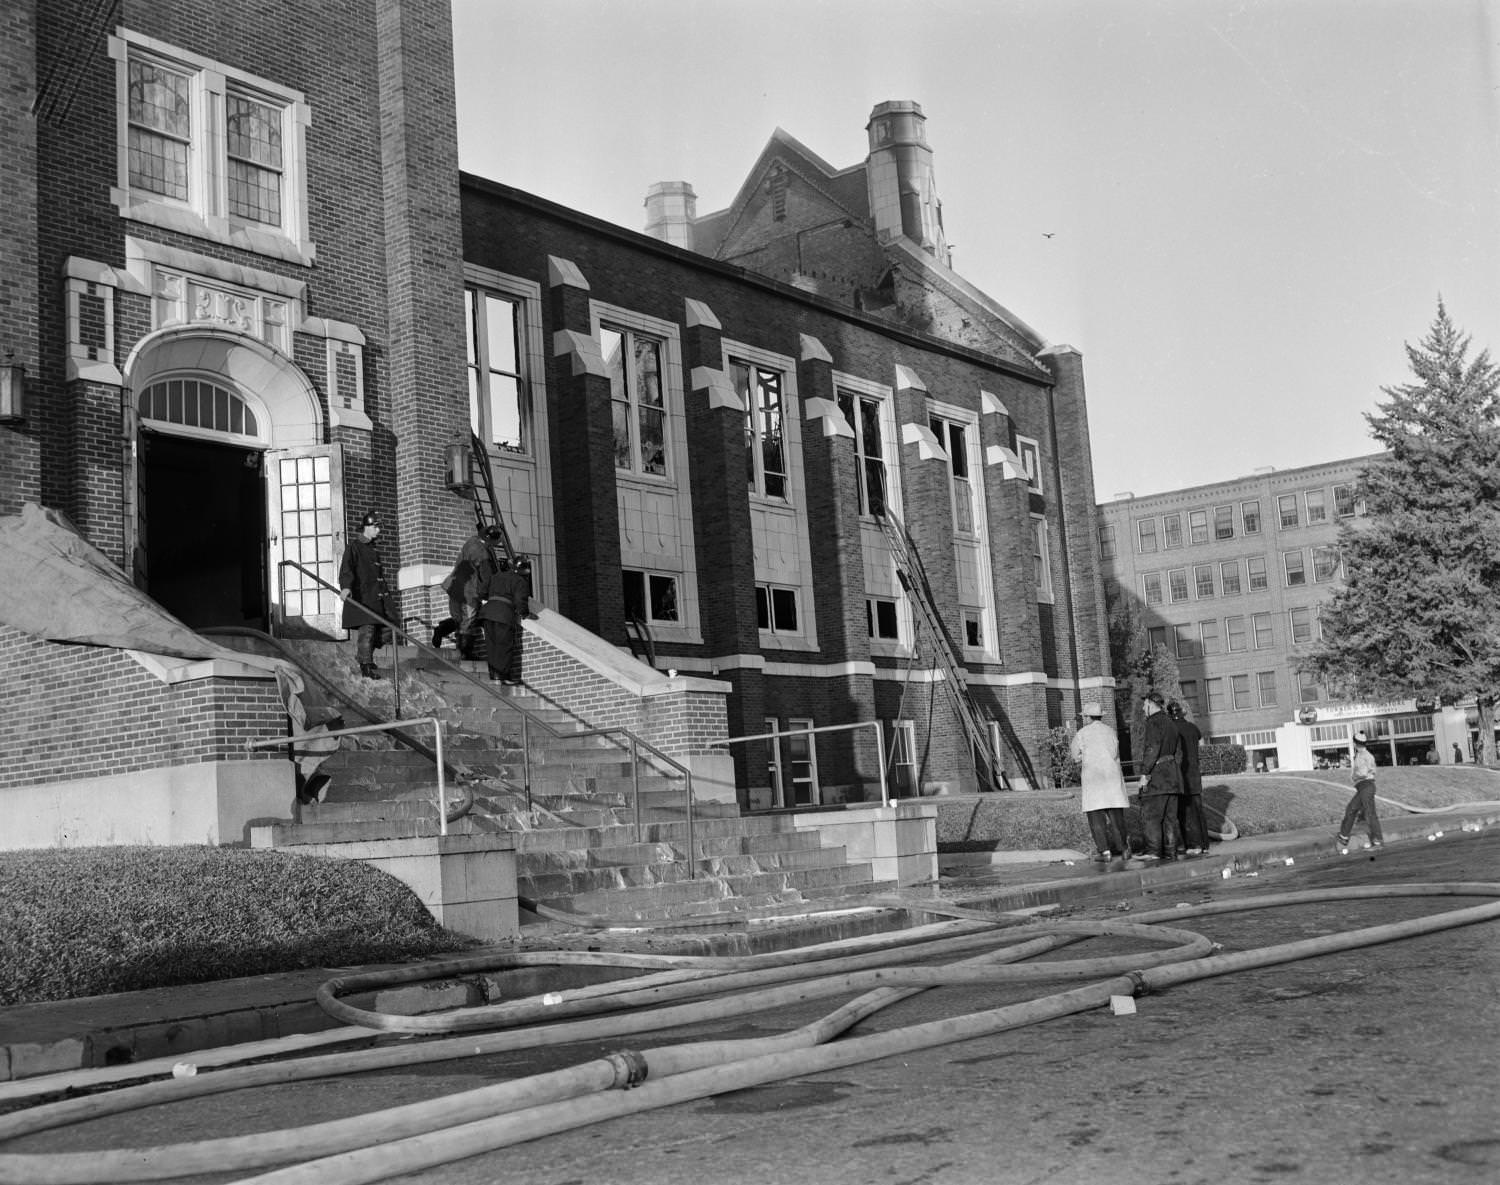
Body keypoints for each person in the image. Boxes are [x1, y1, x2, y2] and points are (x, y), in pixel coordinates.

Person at [1069, 702, 1130, 863]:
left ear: (1088, 717)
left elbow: (1075, 756)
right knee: (1117, 818)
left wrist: (1086, 757)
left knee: (1096, 819)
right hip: (1112, 778)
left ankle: (1105, 852)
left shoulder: (1082, 733)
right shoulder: (1111, 731)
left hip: (1094, 780)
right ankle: (1124, 848)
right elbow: (1115, 752)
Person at [432, 524, 503, 657]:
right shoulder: (482, 554)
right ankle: (465, 654)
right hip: (469, 591)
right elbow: (486, 578)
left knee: (458, 618)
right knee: (468, 622)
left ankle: (441, 630)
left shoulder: (471, 541)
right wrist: (485, 595)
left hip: (454, 586)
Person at [338, 511, 394, 680]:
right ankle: (365, 666)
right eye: (375, 527)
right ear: (367, 527)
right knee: (367, 630)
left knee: (389, 628)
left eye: (378, 527)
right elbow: (347, 568)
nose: (378, 530)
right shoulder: (354, 546)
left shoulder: (373, 549)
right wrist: (346, 587)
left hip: (376, 596)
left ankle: (365, 654)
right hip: (362, 596)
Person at [1135, 690, 1183, 860]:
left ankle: (1153, 851)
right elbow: (1179, 753)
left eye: (1144, 704)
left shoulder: (1153, 722)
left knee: (1151, 816)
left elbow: (1152, 748)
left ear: (1149, 703)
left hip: (1158, 777)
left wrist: (1144, 773)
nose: (1142, 708)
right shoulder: (1171, 722)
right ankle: (1171, 851)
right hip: (1174, 777)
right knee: (1170, 819)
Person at [476, 555, 531, 684]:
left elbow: (482, 592)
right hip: (504, 615)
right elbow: (520, 601)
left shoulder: (496, 577)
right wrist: (525, 613)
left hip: (488, 614)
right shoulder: (519, 581)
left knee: (491, 645)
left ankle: (493, 675)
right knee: (504, 646)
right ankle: (502, 676)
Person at [1167, 699, 1209, 856]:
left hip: (1181, 774)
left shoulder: (1172, 729)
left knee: (1186, 811)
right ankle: (1204, 844)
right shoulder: (1192, 728)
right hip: (1195, 773)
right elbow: (1199, 740)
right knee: (1198, 810)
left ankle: (1193, 844)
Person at [1336, 729, 1384, 850]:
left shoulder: (1362, 756)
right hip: (1366, 787)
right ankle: (1344, 836)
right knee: (1352, 809)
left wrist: (1354, 776)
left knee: (1369, 814)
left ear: (1355, 743)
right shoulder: (1366, 755)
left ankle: (1378, 841)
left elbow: (1362, 773)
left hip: (1365, 786)